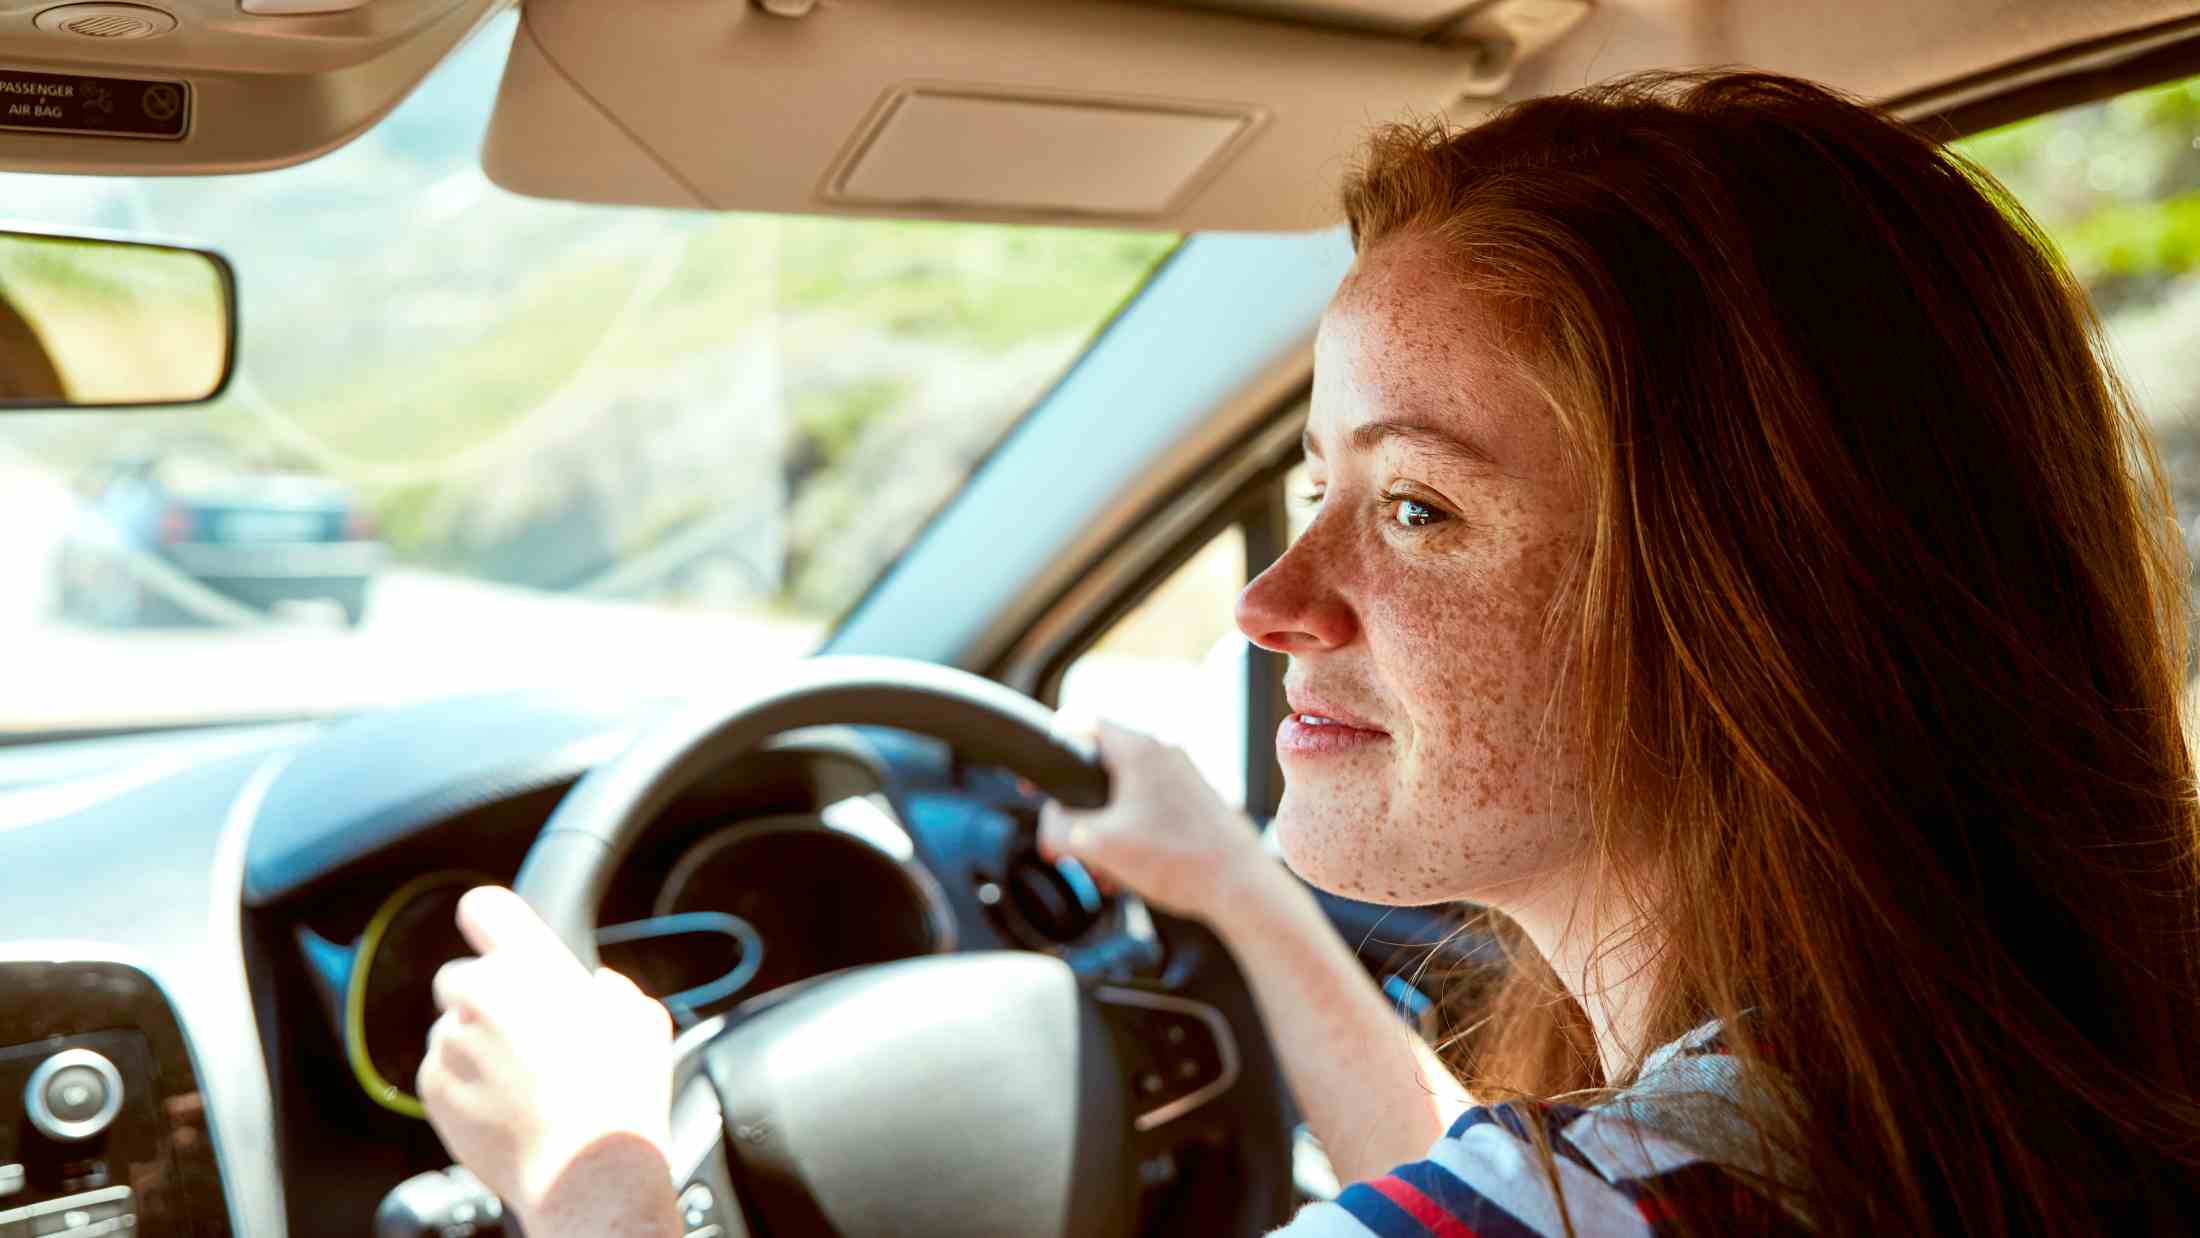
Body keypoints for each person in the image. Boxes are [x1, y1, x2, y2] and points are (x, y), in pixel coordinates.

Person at [415, 70, 2200, 1236]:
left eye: (1416, 508)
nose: (1272, 602)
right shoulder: (1964, 1107)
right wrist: (1242, 897)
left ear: (1763, 609)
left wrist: (595, 1169)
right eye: (1309, 491)